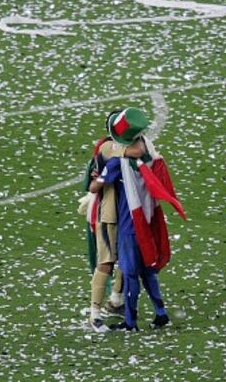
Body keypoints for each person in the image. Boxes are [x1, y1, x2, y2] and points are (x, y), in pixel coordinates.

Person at [88, 107, 186, 331]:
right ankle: (154, 312)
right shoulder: (146, 149)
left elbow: (94, 186)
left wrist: (100, 176)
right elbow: (140, 148)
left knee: (119, 266)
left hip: (121, 218)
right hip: (147, 217)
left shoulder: (112, 154)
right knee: (146, 270)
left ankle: (114, 317)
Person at [81, 109, 147, 333]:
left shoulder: (110, 146)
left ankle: (116, 300)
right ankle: (94, 314)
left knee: (126, 259)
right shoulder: (109, 147)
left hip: (124, 212)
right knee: (107, 262)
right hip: (110, 213)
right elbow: (139, 150)